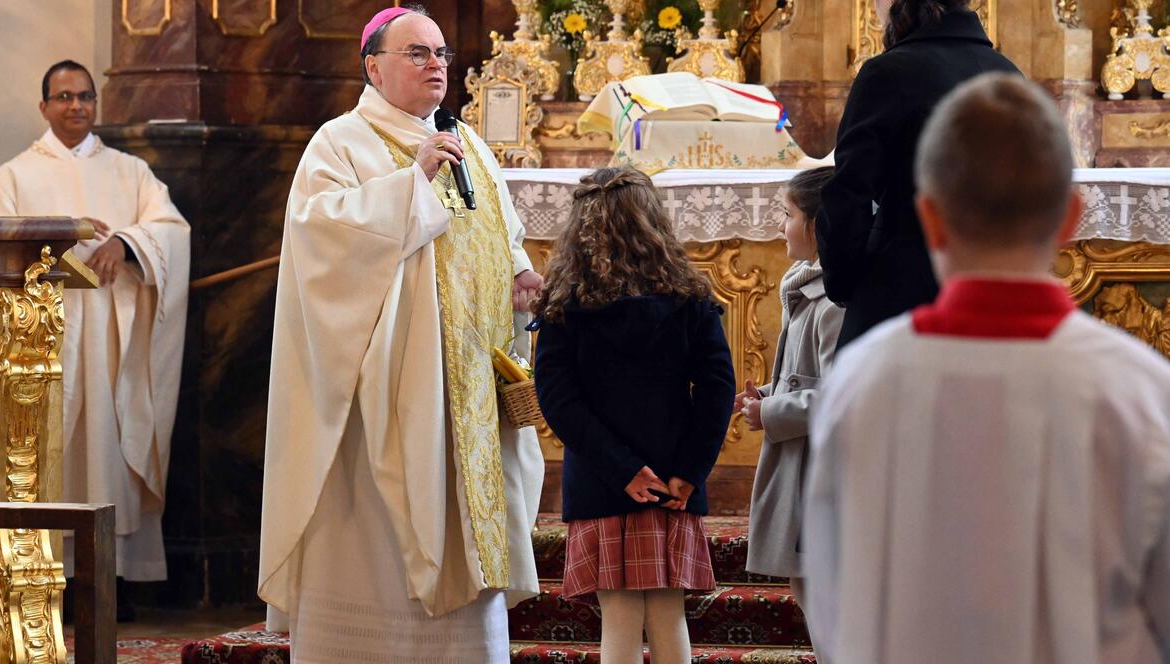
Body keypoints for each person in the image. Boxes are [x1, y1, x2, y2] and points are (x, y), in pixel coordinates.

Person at [803, 74, 1170, 664]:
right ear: (1071, 218)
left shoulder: (862, 380)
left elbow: (832, 593)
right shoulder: (1141, 388)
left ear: (930, 218)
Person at [257, 5, 545, 662]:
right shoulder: (339, 142)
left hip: (465, 385)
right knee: (376, 539)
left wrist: (522, 274)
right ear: (374, 66)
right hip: (383, 392)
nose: (437, 66)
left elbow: (498, 230)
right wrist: (410, 181)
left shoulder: (466, 143)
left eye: (442, 54)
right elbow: (321, 241)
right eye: (417, 53)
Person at [0, 60, 190, 617]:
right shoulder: (12, 177)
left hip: (109, 339)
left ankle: (111, 579)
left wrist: (126, 244)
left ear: (95, 104)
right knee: (44, 450)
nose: (75, 106)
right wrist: (55, 241)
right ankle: (43, 579)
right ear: (44, 106)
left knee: (106, 441)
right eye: (63, 97)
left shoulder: (130, 172)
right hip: (39, 339)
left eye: (84, 97)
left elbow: (171, 228)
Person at [533, 167, 736, 664]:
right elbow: (717, 388)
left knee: (619, 620)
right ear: (653, 222)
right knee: (668, 617)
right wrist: (690, 470)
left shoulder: (566, 303)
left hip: (605, 482)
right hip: (672, 481)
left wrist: (621, 470)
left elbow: (558, 399)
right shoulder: (689, 297)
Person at [816, 0, 1019, 349]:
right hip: (988, 297)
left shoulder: (886, 73)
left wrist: (844, 284)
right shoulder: (1008, 74)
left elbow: (848, 195)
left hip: (897, 297)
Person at [738, 167, 842, 662]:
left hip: (822, 476)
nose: (780, 226)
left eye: (788, 215)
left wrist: (773, 411)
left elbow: (844, 396)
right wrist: (769, 394)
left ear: (819, 226)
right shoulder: (810, 292)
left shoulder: (833, 303)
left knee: (829, 612)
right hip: (805, 466)